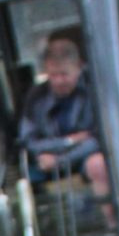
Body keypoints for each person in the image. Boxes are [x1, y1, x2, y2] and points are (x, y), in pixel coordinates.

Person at [17, 33, 109, 205]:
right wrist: (68, 141)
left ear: (79, 67)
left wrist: (59, 161)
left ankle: (111, 224)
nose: (58, 81)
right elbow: (29, 141)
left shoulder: (95, 89)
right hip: (48, 161)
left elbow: (98, 139)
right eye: (52, 75)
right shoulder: (36, 97)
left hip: (84, 157)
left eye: (64, 74)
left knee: (99, 165)